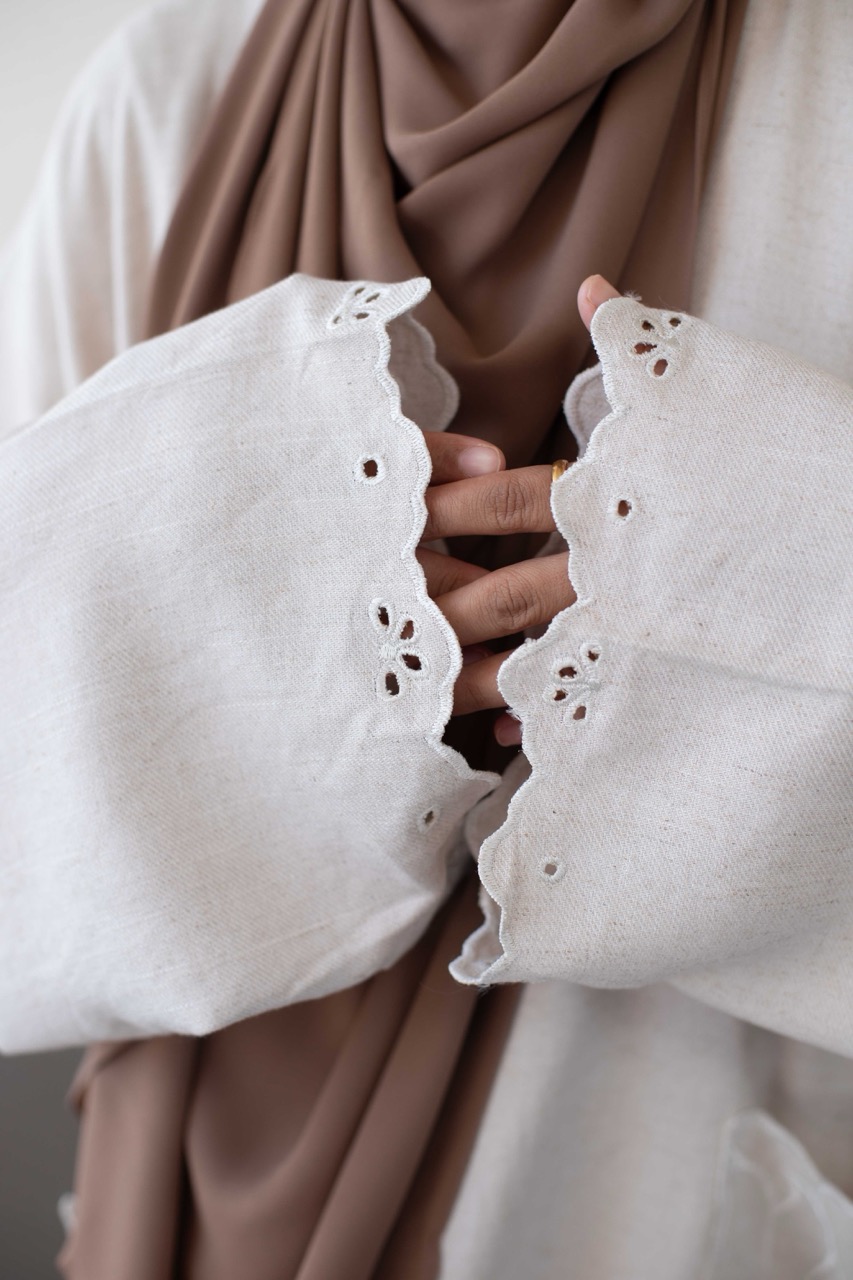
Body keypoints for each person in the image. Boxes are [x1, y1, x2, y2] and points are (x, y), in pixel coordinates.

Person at [0, 0, 851, 1276]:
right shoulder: (164, 99)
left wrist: (770, 569)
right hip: (186, 1159)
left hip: (658, 1165)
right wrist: (221, 617)